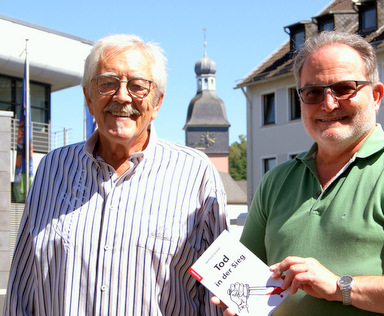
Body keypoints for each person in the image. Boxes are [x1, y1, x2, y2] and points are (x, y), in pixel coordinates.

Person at [213, 31, 384, 315]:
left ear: (375, 96)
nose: (328, 104)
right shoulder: (276, 181)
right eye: (313, 92)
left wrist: (342, 287)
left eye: (344, 88)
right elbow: (248, 280)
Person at [4, 34, 228, 316]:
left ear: (157, 103)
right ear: (89, 97)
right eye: (107, 83)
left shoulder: (197, 175)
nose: (122, 96)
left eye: (137, 86)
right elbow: (22, 291)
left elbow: (217, 298)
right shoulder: (51, 169)